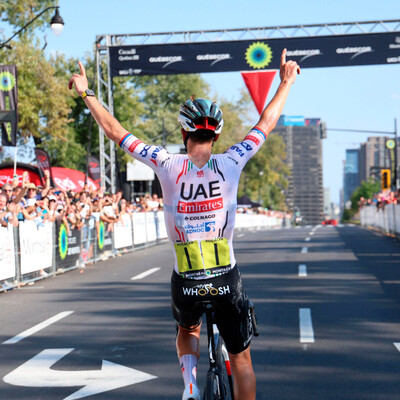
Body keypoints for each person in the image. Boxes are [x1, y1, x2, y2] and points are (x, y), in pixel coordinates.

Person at [69, 48, 300, 400]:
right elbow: (266, 123)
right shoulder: (233, 161)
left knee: (188, 328)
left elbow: (115, 131)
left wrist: (87, 91)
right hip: (226, 278)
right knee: (241, 360)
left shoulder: (165, 162)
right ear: (217, 135)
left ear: (183, 132)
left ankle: (190, 389)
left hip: (186, 280)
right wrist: (285, 83)